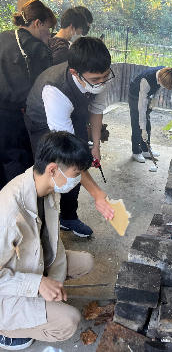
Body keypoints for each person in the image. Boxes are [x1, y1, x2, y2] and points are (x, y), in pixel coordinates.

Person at [0, 131, 95, 350]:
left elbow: (51, 242)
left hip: (29, 264)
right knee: (68, 322)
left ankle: (40, 305)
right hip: (6, 285)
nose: (78, 179)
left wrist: (51, 282)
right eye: (76, 173)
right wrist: (38, 284)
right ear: (53, 169)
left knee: (86, 261)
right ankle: (6, 330)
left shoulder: (47, 189)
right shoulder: (8, 213)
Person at [24, 37, 115, 238]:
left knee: (81, 160)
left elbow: (97, 111)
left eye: (105, 77)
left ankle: (68, 217)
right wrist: (97, 193)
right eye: (95, 80)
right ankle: (38, 223)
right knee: (53, 169)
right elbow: (67, 154)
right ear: (75, 72)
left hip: (74, 115)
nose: (102, 83)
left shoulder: (99, 75)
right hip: (42, 121)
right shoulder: (55, 90)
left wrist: (95, 147)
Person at [0, 0, 55, 190]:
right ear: (37, 23)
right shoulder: (38, 49)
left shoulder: (2, 37)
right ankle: (18, 212)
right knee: (18, 167)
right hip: (18, 120)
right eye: (47, 30)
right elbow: (45, 91)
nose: (48, 36)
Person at [128, 66, 172, 164]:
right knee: (138, 123)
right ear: (159, 79)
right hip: (136, 96)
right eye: (163, 85)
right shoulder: (145, 81)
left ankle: (145, 149)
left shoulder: (166, 73)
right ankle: (136, 152)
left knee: (147, 122)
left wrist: (154, 100)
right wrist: (143, 129)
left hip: (147, 95)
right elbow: (141, 109)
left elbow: (159, 88)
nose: (163, 87)